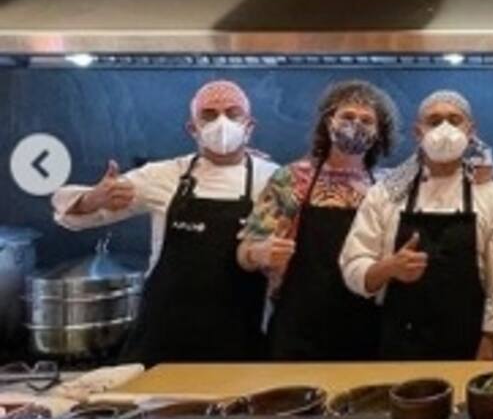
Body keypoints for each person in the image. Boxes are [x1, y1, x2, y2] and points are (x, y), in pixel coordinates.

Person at [51, 79, 277, 365]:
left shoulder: (274, 180)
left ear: (249, 126)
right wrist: (93, 198)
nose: (222, 123)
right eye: (209, 116)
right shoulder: (163, 176)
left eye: (233, 114)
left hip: (239, 339)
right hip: (164, 338)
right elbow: (71, 212)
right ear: (193, 129)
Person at [340, 90, 493, 360]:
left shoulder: (492, 196)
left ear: (470, 131)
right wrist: (389, 267)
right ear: (418, 132)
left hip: (469, 343)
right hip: (399, 341)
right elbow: (353, 264)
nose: (444, 129)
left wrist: (491, 340)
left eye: (454, 120)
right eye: (434, 122)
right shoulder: (386, 193)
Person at [238, 81, 397, 362]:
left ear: (379, 132)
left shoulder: (388, 186)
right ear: (328, 121)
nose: (356, 125)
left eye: (366, 120)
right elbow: (244, 254)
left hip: (369, 327)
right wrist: (259, 253)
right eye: (347, 116)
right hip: (298, 326)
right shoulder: (290, 178)